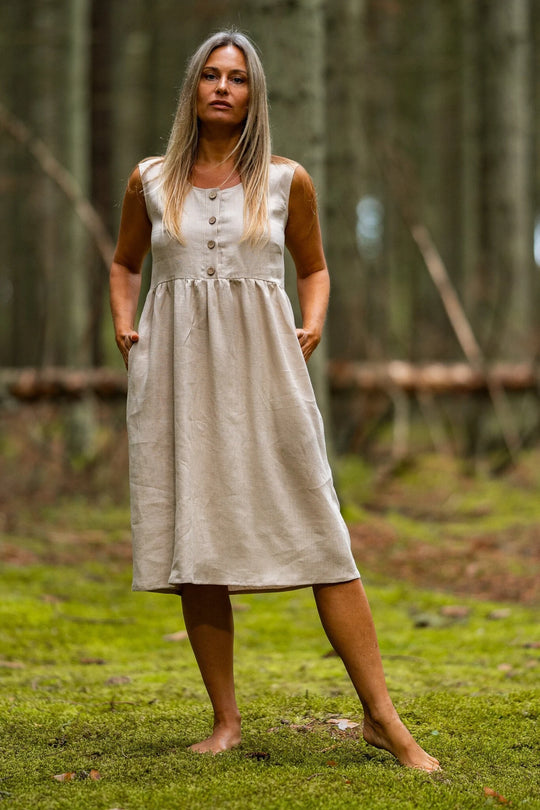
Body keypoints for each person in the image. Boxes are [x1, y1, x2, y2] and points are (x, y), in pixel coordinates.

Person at [109, 30, 440, 772]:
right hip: (178, 378)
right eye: (210, 76)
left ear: (255, 95)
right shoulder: (151, 180)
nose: (223, 88)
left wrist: (313, 319)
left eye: (238, 78)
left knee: (322, 526)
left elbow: (314, 268)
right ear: (193, 89)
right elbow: (125, 262)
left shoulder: (287, 180)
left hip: (267, 373)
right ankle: (224, 721)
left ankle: (383, 718)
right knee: (196, 538)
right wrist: (125, 325)